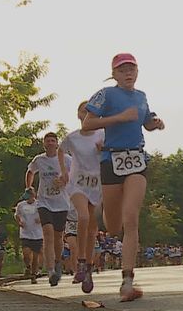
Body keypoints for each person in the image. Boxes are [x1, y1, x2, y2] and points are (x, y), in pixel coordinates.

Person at [83, 52, 165, 302]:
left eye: (132, 69)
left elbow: (145, 121)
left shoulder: (141, 97)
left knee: (131, 219)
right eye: (122, 70)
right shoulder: (106, 94)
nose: (128, 73)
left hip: (136, 159)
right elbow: (87, 124)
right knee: (114, 225)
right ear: (114, 74)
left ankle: (127, 281)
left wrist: (154, 123)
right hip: (111, 160)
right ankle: (102, 212)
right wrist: (119, 118)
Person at [58, 101, 105, 293]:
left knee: (93, 228)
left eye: (91, 112)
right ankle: (81, 261)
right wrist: (64, 172)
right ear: (78, 115)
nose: (87, 114)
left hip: (96, 184)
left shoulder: (102, 134)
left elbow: (113, 152)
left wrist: (105, 149)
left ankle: (88, 267)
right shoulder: (73, 137)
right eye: (84, 111)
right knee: (83, 217)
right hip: (77, 184)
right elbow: (61, 150)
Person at [25, 132, 72, 286]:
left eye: (53, 140)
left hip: (61, 202)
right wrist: (29, 186)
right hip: (44, 202)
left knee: (59, 237)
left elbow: (76, 174)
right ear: (44, 144)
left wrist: (65, 179)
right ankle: (50, 270)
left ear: (57, 143)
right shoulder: (39, 160)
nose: (51, 143)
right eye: (48, 141)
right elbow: (30, 171)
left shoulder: (66, 159)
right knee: (48, 234)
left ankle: (58, 263)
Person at [15, 187, 43, 284]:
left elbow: (46, 215)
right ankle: (28, 267)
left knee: (35, 256)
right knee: (26, 253)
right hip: (25, 233)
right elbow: (17, 215)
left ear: (33, 195)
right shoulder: (21, 205)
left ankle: (33, 275)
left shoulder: (39, 204)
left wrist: (41, 219)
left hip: (37, 234)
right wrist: (19, 222)